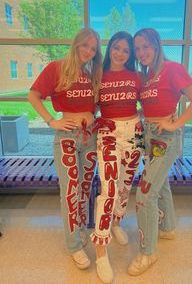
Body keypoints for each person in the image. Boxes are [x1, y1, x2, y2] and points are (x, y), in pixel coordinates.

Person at [128, 28, 192, 276]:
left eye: (145, 47)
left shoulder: (173, 69)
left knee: (145, 193)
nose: (141, 53)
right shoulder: (147, 75)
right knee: (160, 185)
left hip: (164, 138)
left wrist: (174, 124)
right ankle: (168, 228)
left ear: (157, 46)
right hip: (148, 136)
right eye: (137, 48)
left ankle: (147, 253)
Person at [28, 28, 103, 270]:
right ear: (76, 44)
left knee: (84, 187)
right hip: (67, 138)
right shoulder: (56, 68)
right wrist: (52, 121)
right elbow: (33, 95)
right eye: (85, 46)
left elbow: (98, 105)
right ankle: (73, 246)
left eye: (93, 49)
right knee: (69, 191)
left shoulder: (92, 73)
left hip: (90, 138)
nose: (88, 52)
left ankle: (80, 228)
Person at [90, 31, 144, 283]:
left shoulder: (136, 76)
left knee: (125, 184)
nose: (120, 53)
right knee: (108, 188)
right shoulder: (98, 74)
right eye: (116, 47)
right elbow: (85, 103)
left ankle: (116, 222)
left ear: (130, 54)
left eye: (126, 50)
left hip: (134, 131)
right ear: (109, 47)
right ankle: (101, 250)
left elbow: (153, 101)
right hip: (108, 132)